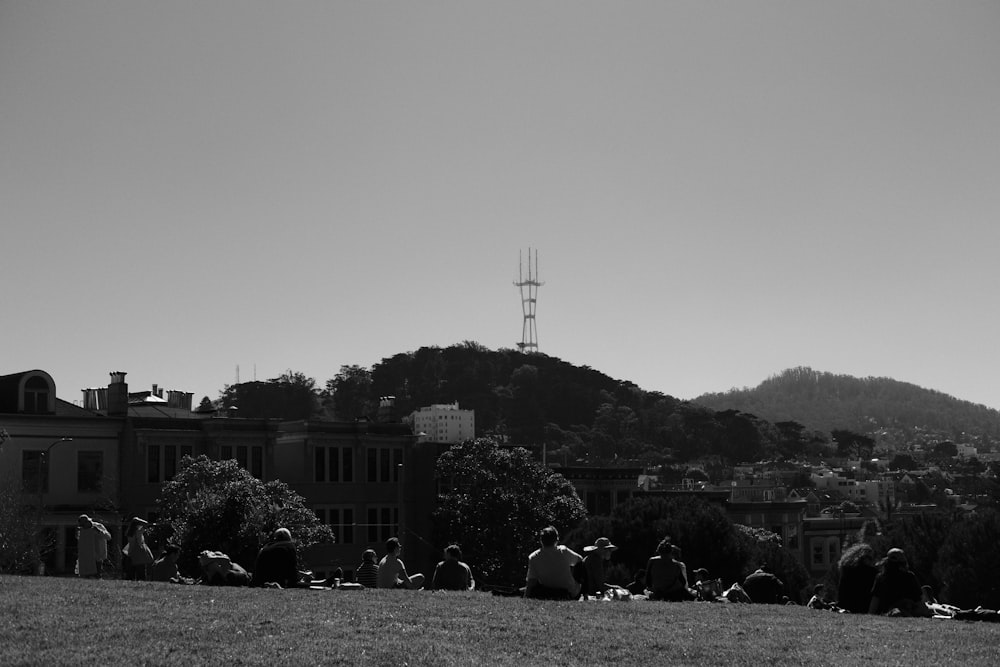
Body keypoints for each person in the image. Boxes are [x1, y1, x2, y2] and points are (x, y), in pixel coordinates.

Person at [524, 525, 583, 600]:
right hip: (569, 592)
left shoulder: (533, 557)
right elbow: (579, 559)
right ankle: (581, 590)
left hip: (548, 591)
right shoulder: (564, 551)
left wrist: (526, 596)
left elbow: (531, 581)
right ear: (556, 540)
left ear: (541, 540)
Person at [869, 548, 928, 616]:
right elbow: (918, 599)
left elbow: (875, 600)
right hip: (908, 610)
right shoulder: (909, 577)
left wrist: (870, 614)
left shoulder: (880, 577)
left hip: (888, 612)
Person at [837, 543, 878, 613]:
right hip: (862, 607)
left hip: (845, 606)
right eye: (870, 558)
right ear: (863, 557)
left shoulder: (846, 569)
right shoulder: (871, 572)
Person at [76, 514, 111, 579]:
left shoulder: (98, 526)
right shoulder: (81, 530)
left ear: (88, 522)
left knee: (97, 574)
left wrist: (99, 531)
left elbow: (108, 537)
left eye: (84, 524)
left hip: (98, 554)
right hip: (87, 557)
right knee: (86, 576)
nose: (83, 527)